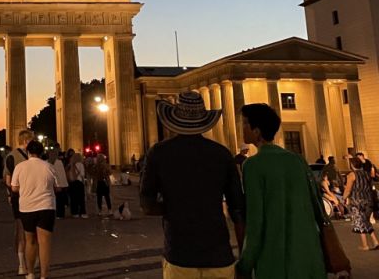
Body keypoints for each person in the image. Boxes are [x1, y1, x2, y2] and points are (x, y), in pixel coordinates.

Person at [140, 91, 245, 279]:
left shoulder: (159, 153)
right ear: (203, 121)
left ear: (174, 119)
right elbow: (237, 209)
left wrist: (174, 207)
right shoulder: (221, 154)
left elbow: (147, 205)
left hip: (180, 253)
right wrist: (244, 255)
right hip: (219, 253)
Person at [236, 103, 326, 278]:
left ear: (257, 131)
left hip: (275, 259)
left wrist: (245, 263)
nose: (242, 128)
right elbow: (318, 206)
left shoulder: (253, 165)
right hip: (309, 257)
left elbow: (255, 220)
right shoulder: (297, 160)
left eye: (245, 123)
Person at [11, 139, 58, 279]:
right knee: (44, 243)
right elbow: (58, 186)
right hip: (46, 207)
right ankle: (44, 276)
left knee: (29, 241)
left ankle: (30, 273)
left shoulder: (20, 167)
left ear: (28, 152)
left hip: (27, 207)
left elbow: (14, 188)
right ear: (42, 152)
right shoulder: (49, 166)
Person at [5, 128, 35, 276]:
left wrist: (10, 194)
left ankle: (21, 263)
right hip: (34, 196)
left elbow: (7, 179)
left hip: (18, 197)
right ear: (26, 140)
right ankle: (32, 261)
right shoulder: (35, 156)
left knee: (20, 229)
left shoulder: (11, 156)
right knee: (34, 230)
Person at [342, 156, 379, 250]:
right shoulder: (367, 173)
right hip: (368, 200)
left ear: (352, 165)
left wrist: (344, 198)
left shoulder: (352, 175)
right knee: (365, 220)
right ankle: (375, 241)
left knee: (360, 222)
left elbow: (348, 189)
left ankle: (365, 245)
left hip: (357, 201)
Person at [47, 150, 69, 219]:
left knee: (59, 200)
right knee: (58, 200)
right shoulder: (57, 162)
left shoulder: (56, 163)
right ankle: (59, 214)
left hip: (58, 184)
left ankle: (59, 214)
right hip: (59, 184)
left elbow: (58, 174)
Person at [67, 154, 87, 218]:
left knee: (73, 199)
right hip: (79, 183)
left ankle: (74, 213)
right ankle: (82, 212)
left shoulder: (70, 165)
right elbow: (82, 174)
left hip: (72, 183)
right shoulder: (80, 165)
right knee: (81, 198)